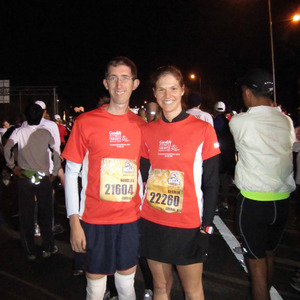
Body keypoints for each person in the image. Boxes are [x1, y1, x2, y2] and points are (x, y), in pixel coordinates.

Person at [62, 56, 145, 300]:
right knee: (96, 291)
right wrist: (74, 221)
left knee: (126, 287)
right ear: (105, 83)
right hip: (94, 221)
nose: (119, 84)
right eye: (113, 78)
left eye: (125, 78)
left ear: (135, 84)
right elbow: (71, 172)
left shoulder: (142, 126)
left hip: (130, 220)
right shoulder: (85, 122)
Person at [140, 65, 220, 300]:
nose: (167, 95)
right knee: (161, 287)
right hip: (153, 220)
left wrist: (206, 227)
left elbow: (212, 183)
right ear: (154, 93)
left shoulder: (203, 129)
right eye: (161, 89)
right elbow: (143, 178)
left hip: (188, 225)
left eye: (173, 88)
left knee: (192, 290)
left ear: (182, 89)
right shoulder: (148, 131)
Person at [229, 68, 296, 300]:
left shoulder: (240, 122)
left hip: (253, 203)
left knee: (256, 268)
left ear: (247, 92)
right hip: (282, 203)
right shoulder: (286, 121)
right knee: (270, 255)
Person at [4, 103, 61, 261]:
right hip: (43, 177)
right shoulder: (46, 132)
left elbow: (7, 148)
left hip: (25, 177)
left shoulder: (19, 131)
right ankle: (48, 246)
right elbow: (56, 152)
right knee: (46, 213)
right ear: (41, 115)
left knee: (26, 214)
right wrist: (55, 172)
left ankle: (29, 249)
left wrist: (12, 166)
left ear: (26, 116)